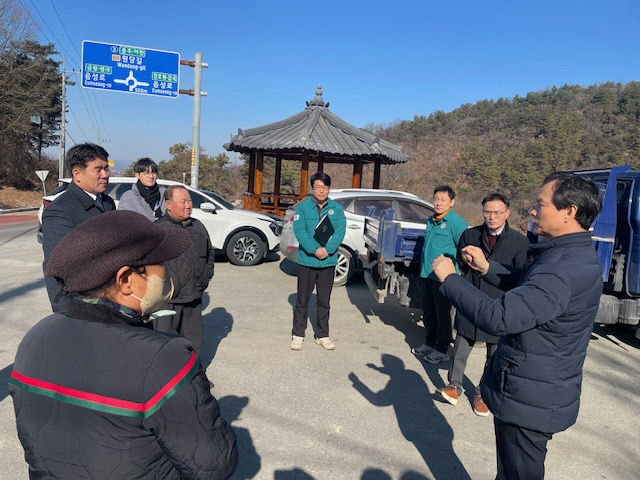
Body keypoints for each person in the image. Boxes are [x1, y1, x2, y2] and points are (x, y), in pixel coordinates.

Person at [10, 210, 238, 479]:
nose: (166, 272)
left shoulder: (36, 337)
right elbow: (214, 464)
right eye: (160, 263)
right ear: (126, 280)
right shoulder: (164, 359)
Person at [432, 173, 602, 480]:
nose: (534, 211)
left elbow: (500, 316)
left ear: (570, 211)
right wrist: (487, 268)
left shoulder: (562, 268)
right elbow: (529, 286)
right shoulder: (567, 255)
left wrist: (451, 279)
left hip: (530, 397)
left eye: (541, 204)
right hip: (534, 390)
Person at [437, 193, 528, 416]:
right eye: (487, 212)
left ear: (507, 213)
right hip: (471, 297)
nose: (492, 217)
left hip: (498, 303)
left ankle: (481, 392)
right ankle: (454, 385)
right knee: (461, 344)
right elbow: (461, 262)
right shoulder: (470, 235)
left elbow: (519, 276)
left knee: (494, 354)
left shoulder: (519, 242)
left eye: (497, 212)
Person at [42, 143, 115, 313]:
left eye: (106, 168)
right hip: (84, 305)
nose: (105, 175)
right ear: (77, 174)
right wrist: (65, 312)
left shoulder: (107, 203)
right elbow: (55, 267)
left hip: (111, 298)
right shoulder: (60, 211)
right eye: (98, 169)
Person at [155, 185, 215, 355]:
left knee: (193, 345)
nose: (188, 205)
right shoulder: (159, 230)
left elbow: (210, 255)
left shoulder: (198, 227)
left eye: (189, 200)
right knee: (163, 345)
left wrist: (204, 279)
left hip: (193, 297)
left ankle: (194, 378)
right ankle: (165, 380)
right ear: (169, 204)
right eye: (183, 201)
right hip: (168, 300)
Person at [290, 172, 346, 351]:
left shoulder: (337, 209)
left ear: (329, 189)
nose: (321, 190)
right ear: (312, 188)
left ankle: (323, 335)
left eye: (324, 187)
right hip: (307, 261)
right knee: (302, 300)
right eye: (317, 187)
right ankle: (298, 334)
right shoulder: (303, 208)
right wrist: (315, 250)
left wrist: (327, 251)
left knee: (324, 301)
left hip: (327, 263)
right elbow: (300, 231)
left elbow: (339, 232)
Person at [413, 185, 468, 364]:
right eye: (436, 198)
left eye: (443, 200)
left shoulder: (456, 222)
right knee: (428, 312)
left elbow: (464, 249)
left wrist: (456, 271)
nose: (438, 202)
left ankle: (442, 349)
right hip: (427, 275)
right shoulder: (431, 220)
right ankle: (429, 343)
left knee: (442, 314)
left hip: (443, 278)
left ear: (452, 202)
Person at [118, 157, 166, 221]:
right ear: (137, 175)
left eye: (153, 173)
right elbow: (125, 221)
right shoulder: (128, 197)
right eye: (146, 173)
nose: (151, 176)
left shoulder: (164, 194)